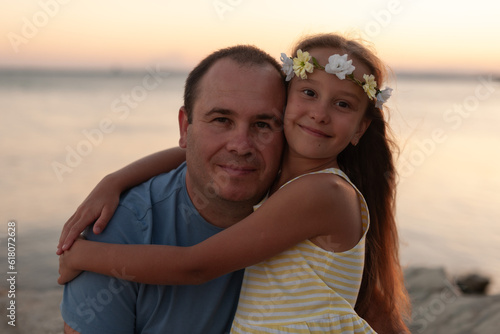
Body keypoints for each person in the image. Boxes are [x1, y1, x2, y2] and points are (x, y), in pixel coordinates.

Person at [59, 33, 411, 333]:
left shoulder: (321, 192)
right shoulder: (282, 174)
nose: (320, 113)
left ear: (360, 129)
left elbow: (195, 266)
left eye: (342, 104)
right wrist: (115, 180)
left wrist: (81, 254)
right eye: (309, 94)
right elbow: (197, 152)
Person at [59, 44, 287, 334]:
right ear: (184, 128)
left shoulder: (304, 214)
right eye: (221, 120)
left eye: (263, 124)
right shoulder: (118, 232)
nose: (241, 146)